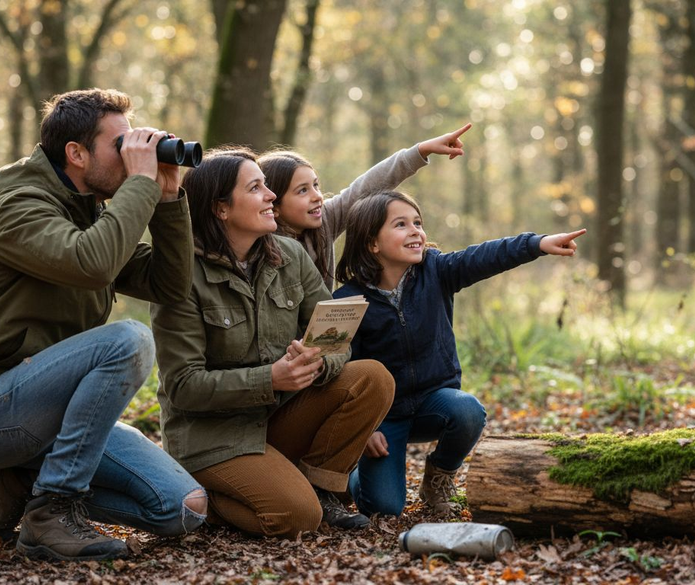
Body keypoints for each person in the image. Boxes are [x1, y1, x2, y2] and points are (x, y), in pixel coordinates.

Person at [0, 89, 208, 561]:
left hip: (49, 413)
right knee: (130, 339)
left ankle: (24, 479)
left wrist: (166, 197)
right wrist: (138, 185)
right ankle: (53, 510)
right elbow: (93, 264)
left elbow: (170, 284)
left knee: (183, 509)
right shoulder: (18, 208)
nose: (132, 156)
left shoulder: (93, 215)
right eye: (121, 145)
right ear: (76, 154)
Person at [149, 148, 394, 539]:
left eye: (267, 186)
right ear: (221, 209)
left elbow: (337, 338)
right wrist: (271, 378)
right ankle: (207, 497)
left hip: (276, 420)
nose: (271, 197)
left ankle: (320, 488)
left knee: (372, 377)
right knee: (295, 517)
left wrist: (315, 363)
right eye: (256, 188)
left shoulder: (292, 255)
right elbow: (183, 387)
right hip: (213, 438)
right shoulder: (181, 276)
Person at [333, 191, 587, 517]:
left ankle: (438, 477)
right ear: (372, 244)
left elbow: (484, 256)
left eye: (418, 222)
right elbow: (340, 372)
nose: (415, 231)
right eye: (401, 224)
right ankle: (351, 479)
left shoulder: (436, 271)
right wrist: (363, 429)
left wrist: (536, 244)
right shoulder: (347, 301)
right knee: (383, 508)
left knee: (468, 410)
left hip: (433, 403)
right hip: (384, 418)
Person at [259, 123, 471, 289]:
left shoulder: (325, 222)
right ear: (272, 203)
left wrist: (420, 151)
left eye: (316, 185)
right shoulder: (258, 243)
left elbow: (365, 187)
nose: (317, 197)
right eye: (303, 190)